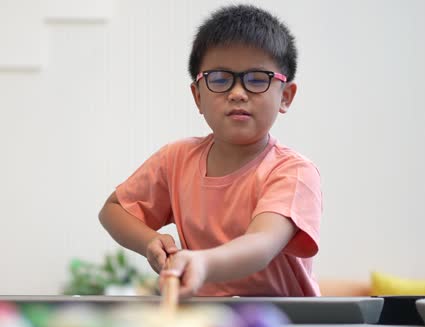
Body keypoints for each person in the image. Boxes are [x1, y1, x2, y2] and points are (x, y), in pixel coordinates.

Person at [99, 4, 322, 297]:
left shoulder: (294, 171)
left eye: (257, 79)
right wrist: (150, 241)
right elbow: (112, 211)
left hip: (287, 323)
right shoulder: (175, 159)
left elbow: (261, 244)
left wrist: (202, 263)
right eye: (219, 79)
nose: (238, 93)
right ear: (198, 96)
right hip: (205, 322)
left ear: (286, 96)